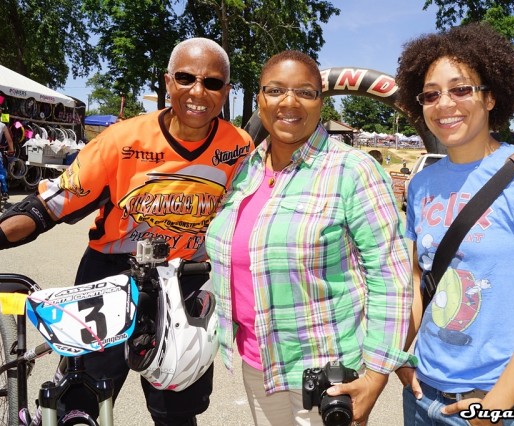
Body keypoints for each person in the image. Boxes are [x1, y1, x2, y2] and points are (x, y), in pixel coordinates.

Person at [0, 37, 253, 425]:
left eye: (212, 82)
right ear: (168, 82)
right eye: (185, 78)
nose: (197, 92)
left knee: (177, 413)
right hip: (111, 275)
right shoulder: (121, 140)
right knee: (81, 405)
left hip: (186, 281)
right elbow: (49, 205)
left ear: (226, 91)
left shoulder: (239, 147)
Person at [205, 50, 414, 426]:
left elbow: (391, 279)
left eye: (305, 91)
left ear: (321, 101)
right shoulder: (245, 170)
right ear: (260, 100)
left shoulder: (354, 170)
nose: (289, 102)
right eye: (276, 91)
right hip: (258, 365)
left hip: (326, 376)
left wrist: (377, 374)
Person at [395, 23, 514, 425]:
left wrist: (496, 403)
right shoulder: (422, 182)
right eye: (431, 94)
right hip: (423, 395)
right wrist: (401, 358)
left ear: (491, 96)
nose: (444, 104)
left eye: (461, 89)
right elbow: (415, 285)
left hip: (502, 403)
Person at [0, 119, 15, 200]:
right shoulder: (2, 125)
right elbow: (9, 141)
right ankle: (4, 191)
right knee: (1, 172)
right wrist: (11, 150)